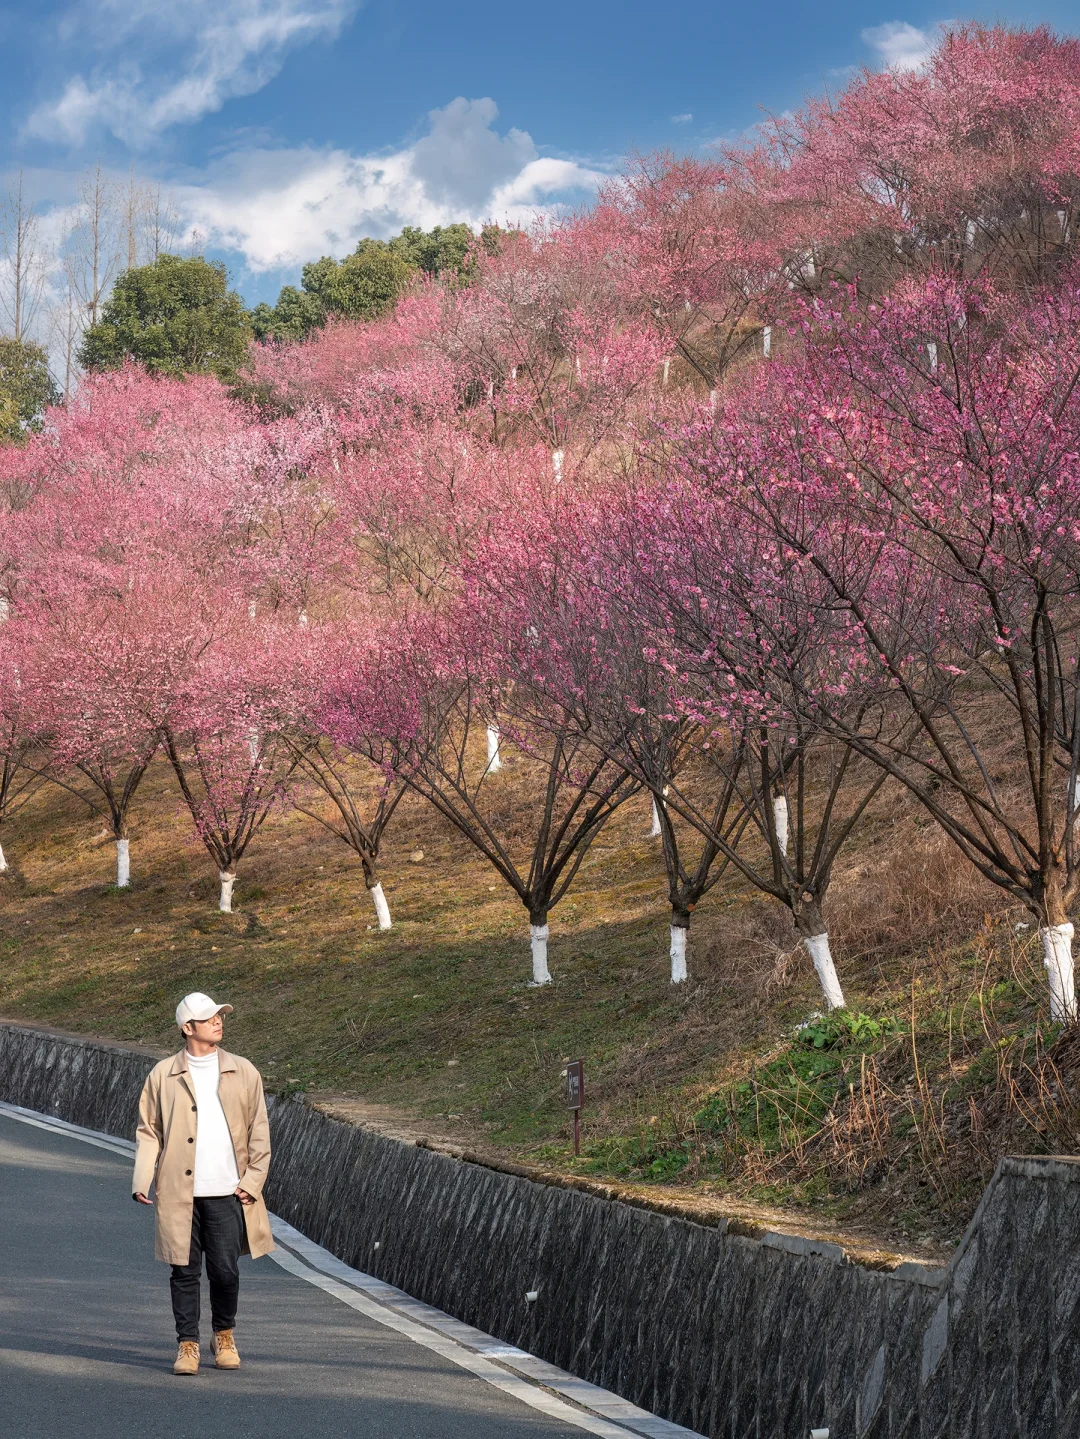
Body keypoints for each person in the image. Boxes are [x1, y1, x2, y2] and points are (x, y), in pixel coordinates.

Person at [133, 992, 274, 1376]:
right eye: (209, 1017)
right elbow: (149, 1131)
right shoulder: (163, 1075)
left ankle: (224, 1333)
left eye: (220, 1016)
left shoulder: (244, 1070)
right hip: (179, 1193)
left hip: (229, 1190)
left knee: (226, 1271)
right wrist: (142, 1177)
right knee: (184, 1270)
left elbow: (259, 1130)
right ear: (187, 1027)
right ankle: (188, 1344)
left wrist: (253, 1181)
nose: (218, 1021)